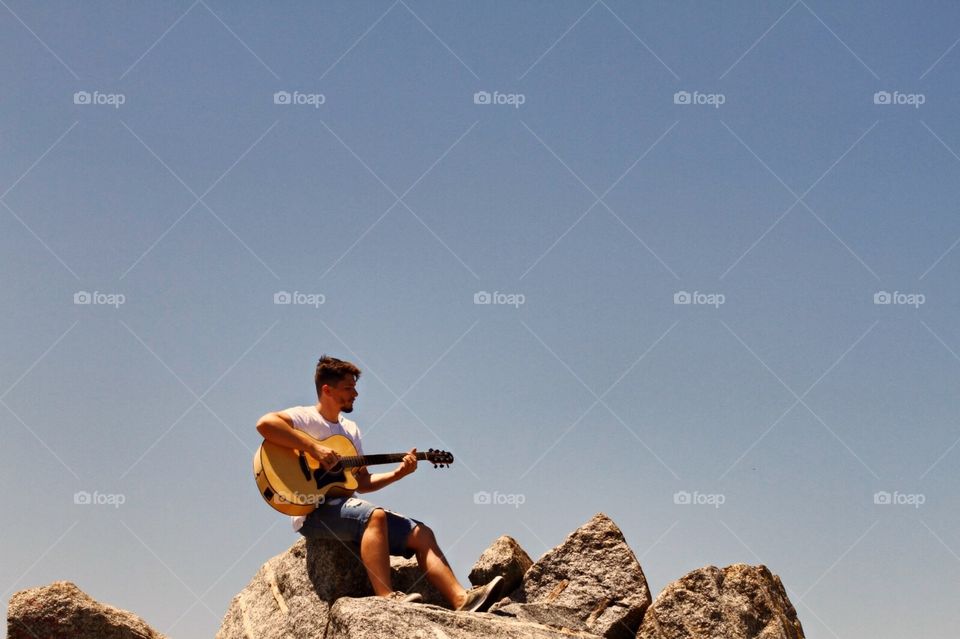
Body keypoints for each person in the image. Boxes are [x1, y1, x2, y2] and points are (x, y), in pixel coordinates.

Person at [255, 355, 503, 611]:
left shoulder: (350, 430)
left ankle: (461, 599)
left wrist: (399, 473)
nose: (356, 393)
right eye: (349, 388)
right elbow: (265, 425)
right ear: (327, 390)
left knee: (422, 533)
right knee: (374, 516)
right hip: (312, 509)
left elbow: (361, 482)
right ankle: (386, 598)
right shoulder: (304, 417)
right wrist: (314, 448)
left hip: (346, 507)